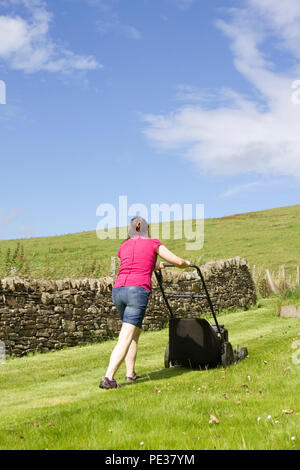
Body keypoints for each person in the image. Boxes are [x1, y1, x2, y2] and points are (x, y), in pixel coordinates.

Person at [99, 216, 190, 389]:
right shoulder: (153, 243)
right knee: (126, 335)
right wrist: (186, 263)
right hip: (137, 290)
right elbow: (177, 261)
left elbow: (136, 263)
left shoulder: (124, 246)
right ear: (147, 229)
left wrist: (156, 265)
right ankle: (108, 377)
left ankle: (130, 373)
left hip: (118, 290)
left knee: (134, 331)